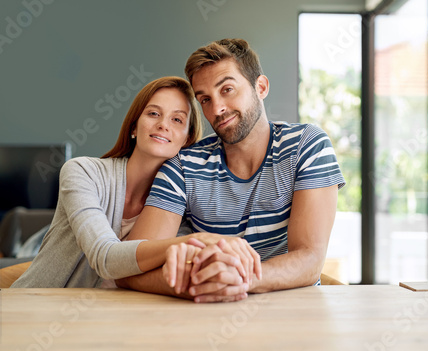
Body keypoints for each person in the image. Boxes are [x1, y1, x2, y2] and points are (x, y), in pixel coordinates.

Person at [117, 39, 346, 302]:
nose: (217, 109)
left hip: (294, 318)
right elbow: (127, 268)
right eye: (205, 99)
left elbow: (310, 258)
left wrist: (239, 279)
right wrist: (201, 284)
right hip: (210, 321)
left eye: (227, 89)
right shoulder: (182, 167)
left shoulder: (307, 145)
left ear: (260, 87)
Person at [12, 76, 251, 291]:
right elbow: (106, 259)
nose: (163, 125)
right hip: (32, 311)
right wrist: (194, 241)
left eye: (177, 119)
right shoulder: (83, 172)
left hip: (102, 326)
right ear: (134, 126)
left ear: (187, 139)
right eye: (154, 113)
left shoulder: (180, 210)